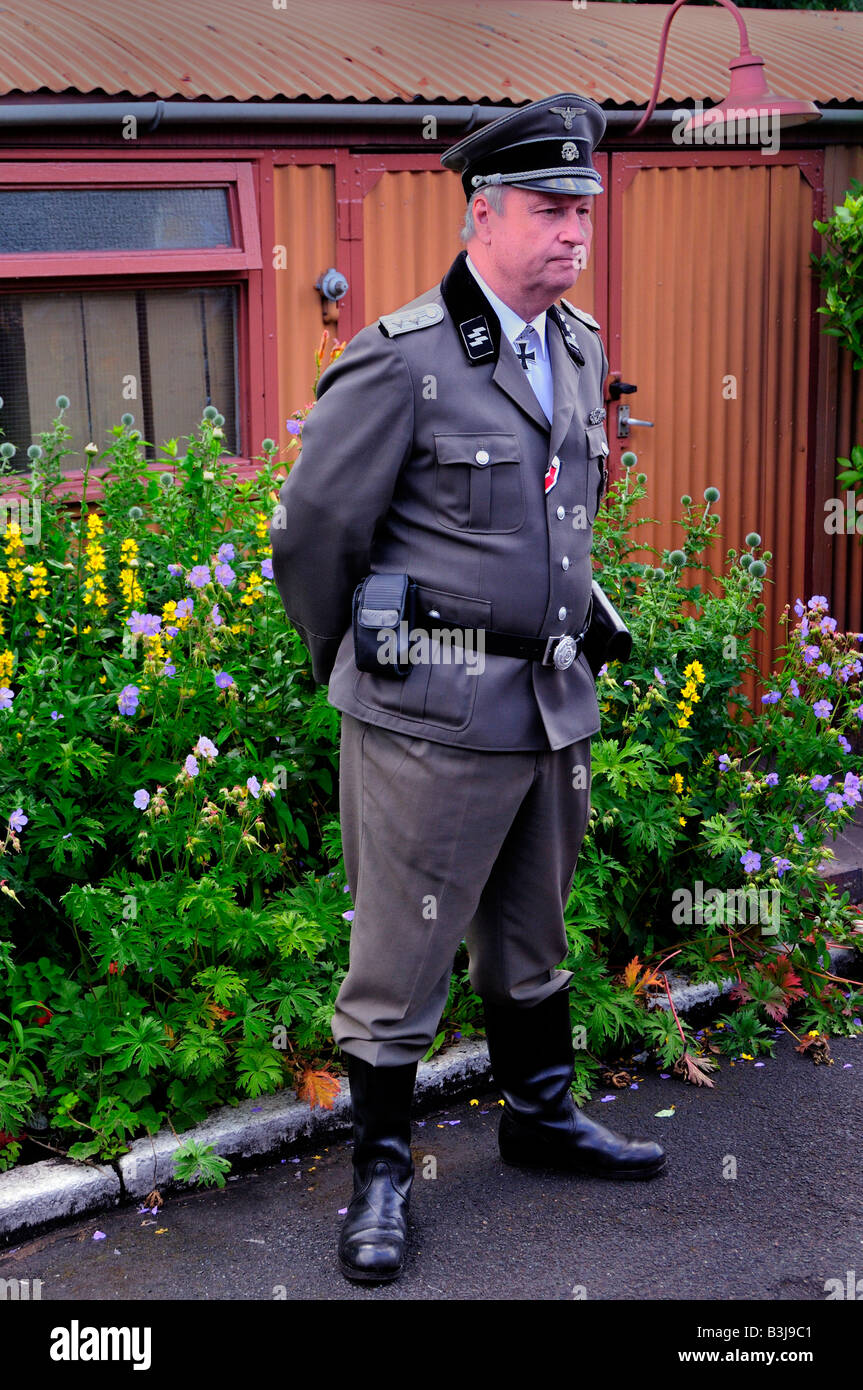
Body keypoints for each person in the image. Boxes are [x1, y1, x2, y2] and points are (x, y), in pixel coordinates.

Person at [269, 92, 667, 1287]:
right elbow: (311, 536)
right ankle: (382, 1172)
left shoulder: (578, 345)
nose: (571, 233)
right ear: (480, 215)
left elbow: (560, 517)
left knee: (527, 938)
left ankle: (538, 1115)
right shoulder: (401, 360)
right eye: (549, 210)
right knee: (401, 957)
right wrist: (359, 669)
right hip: (426, 718)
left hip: (549, 705)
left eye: (581, 212)